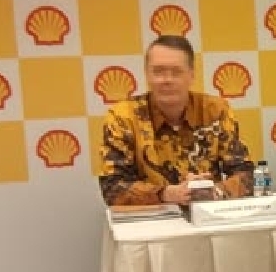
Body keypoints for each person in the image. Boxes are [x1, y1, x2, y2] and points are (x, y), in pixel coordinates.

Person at [98, 35, 254, 206]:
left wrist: (214, 191)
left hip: (206, 213)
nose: (167, 80)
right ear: (147, 75)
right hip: (150, 218)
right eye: (158, 71)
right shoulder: (123, 117)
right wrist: (167, 194)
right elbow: (112, 189)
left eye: (176, 72)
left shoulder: (215, 111)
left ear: (191, 75)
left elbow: (246, 175)